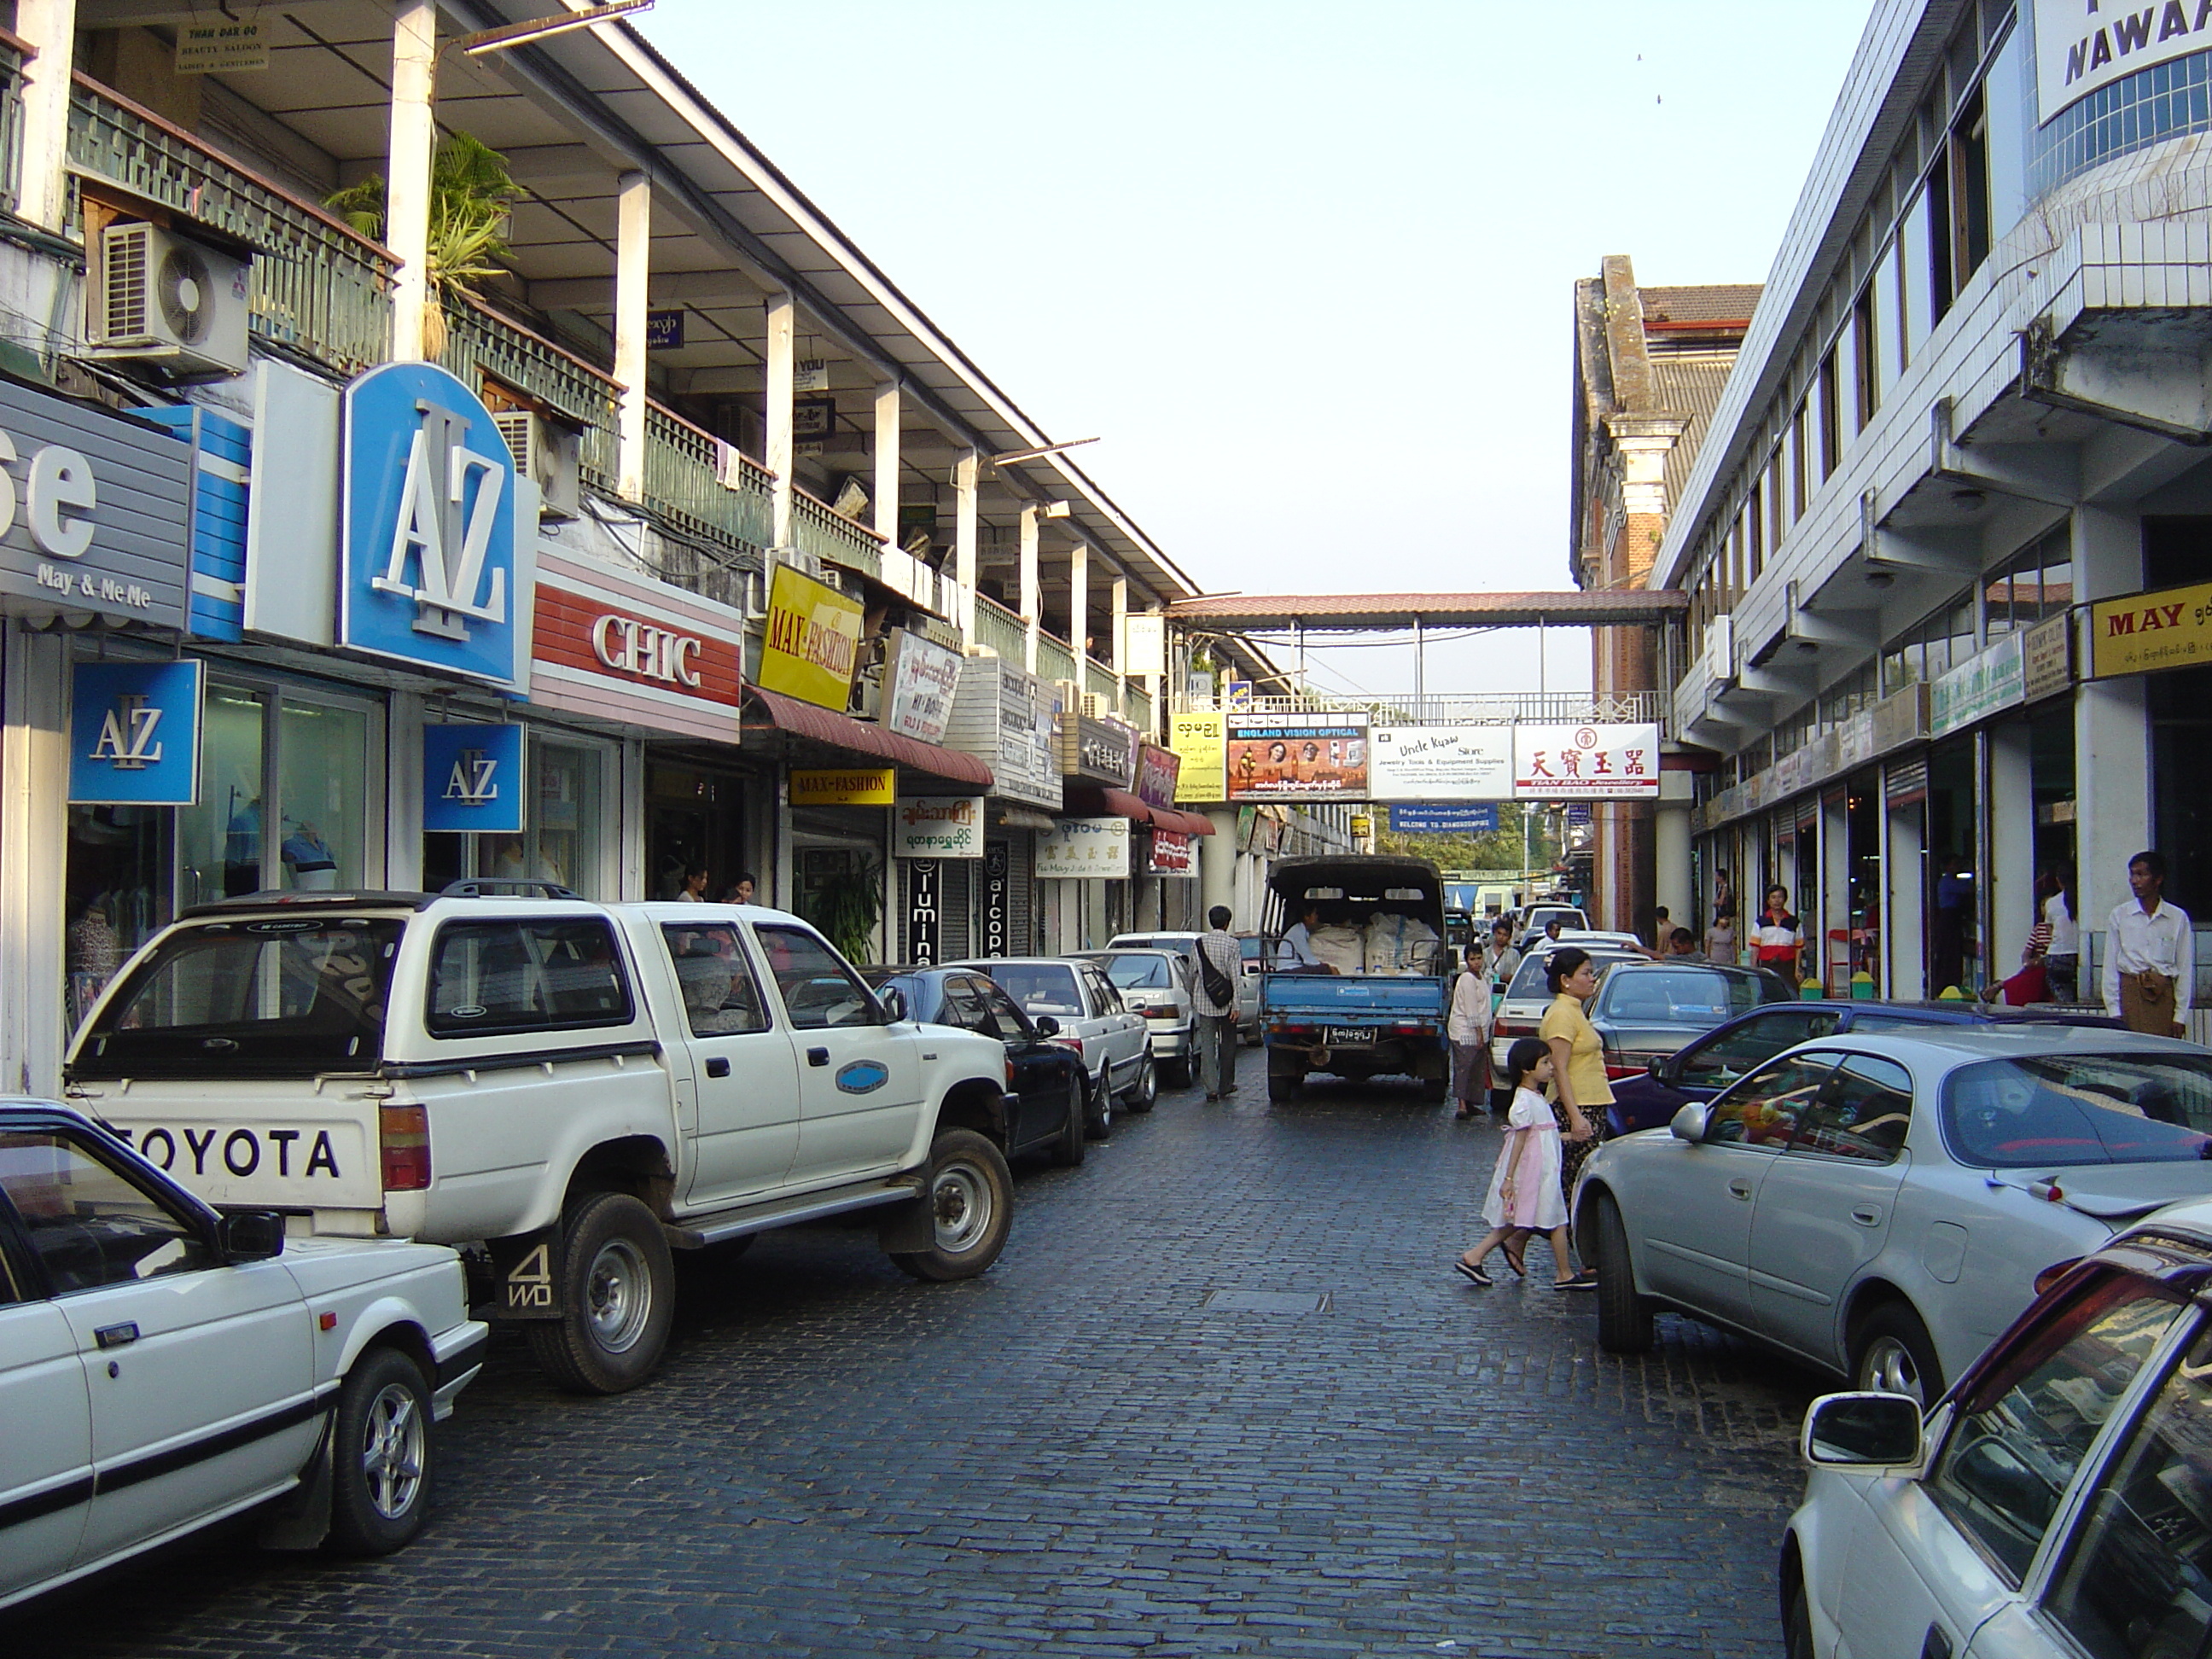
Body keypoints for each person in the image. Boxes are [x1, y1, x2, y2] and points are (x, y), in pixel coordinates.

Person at [1453, 1039, 1591, 1290]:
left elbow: (1543, 1134)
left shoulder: (1535, 1097)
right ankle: (1564, 1274)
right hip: (1535, 1171)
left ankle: (1475, 1256)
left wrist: (1571, 1137)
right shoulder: (1525, 1101)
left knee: (1518, 1220)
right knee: (1556, 1217)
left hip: (1540, 1168)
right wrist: (1509, 1179)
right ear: (1527, 1068)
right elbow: (1519, 1139)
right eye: (1546, 1063)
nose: (1552, 1068)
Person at [1537, 946, 1609, 1230]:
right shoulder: (1561, 1014)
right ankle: (1574, 1252)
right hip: (1576, 1106)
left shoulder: (1576, 1011)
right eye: (1587, 973)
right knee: (1571, 1183)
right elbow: (1560, 1069)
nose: (1593, 979)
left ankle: (1519, 1243)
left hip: (1591, 1103)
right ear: (1566, 980)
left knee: (1575, 1182)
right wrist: (1576, 1116)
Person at [2104, 850, 2194, 1037]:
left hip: (2163, 994)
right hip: (2130, 994)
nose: (2134, 881)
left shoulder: (2177, 918)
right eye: (2132, 875)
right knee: (2132, 1055)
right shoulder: (2120, 915)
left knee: (2163, 1055)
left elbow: (2184, 968)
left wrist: (2180, 1016)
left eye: (2141, 875)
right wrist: (2114, 1011)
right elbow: (2110, 967)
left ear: (2158, 879)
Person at [1194, 905, 1243, 1102]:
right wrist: (1237, 1004)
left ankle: (1211, 1088)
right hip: (1227, 1003)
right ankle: (1226, 1084)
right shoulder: (1232, 945)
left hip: (1204, 1001)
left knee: (1207, 1044)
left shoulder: (1198, 944)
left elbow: (1192, 972)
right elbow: (1235, 976)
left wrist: (1193, 994)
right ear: (1227, 923)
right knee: (1228, 1043)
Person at [1447, 945, 1493, 1121]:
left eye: (1479, 958)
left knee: (1476, 1069)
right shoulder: (1466, 979)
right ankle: (1462, 1105)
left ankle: (1472, 1103)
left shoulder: (1481, 978)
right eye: (1472, 959)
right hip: (1465, 1032)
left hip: (1480, 1031)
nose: (1476, 962)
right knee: (1464, 1067)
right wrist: (1479, 1033)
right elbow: (1471, 1009)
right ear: (1467, 961)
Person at [2043, 861, 2080, 1003]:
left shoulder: (2051, 902)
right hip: (2078, 954)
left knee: (2062, 994)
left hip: (2057, 955)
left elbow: (2049, 931)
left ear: (2058, 880)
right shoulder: (2085, 900)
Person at [1752, 886, 1803, 982]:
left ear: (1785, 900)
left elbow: (1799, 948)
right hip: (1767, 965)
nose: (1777, 901)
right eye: (1773, 897)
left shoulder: (1794, 922)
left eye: (1780, 897)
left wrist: (1797, 969)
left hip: (1788, 966)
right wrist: (1754, 969)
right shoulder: (1761, 922)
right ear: (1768, 900)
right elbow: (1755, 948)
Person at [1277, 903, 1333, 971]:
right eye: (1314, 914)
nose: (1316, 917)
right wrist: (1323, 966)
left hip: (1293, 967)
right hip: (1289, 969)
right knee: (1328, 969)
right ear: (1307, 917)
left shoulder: (1303, 930)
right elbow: (1308, 958)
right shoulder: (1298, 931)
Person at [1705, 902, 1738, 966]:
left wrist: (1735, 958)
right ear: (1719, 919)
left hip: (1727, 960)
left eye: (1728, 920)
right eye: (1725, 919)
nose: (1726, 921)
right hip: (1714, 960)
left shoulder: (1730, 931)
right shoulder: (1711, 931)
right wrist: (1708, 958)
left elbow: (1734, 946)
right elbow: (1707, 946)